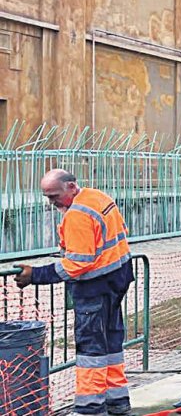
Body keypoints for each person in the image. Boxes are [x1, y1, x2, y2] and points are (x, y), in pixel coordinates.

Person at [14, 169, 134, 416]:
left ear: (71, 187)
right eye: (47, 197)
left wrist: (34, 275)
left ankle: (90, 407)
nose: (51, 202)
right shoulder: (97, 197)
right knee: (111, 343)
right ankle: (117, 401)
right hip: (117, 278)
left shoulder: (78, 215)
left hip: (95, 287)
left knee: (91, 348)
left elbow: (78, 263)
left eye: (55, 195)